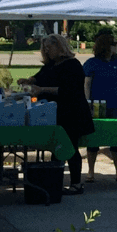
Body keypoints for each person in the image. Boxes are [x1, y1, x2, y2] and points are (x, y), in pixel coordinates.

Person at [17, 34, 95, 194]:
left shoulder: (73, 65)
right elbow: (40, 77)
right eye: (44, 48)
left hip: (72, 113)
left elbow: (70, 90)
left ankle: (76, 184)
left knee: (71, 147)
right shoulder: (51, 65)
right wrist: (29, 80)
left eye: (49, 48)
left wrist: (42, 89)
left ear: (59, 47)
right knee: (57, 147)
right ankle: (55, 182)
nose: (46, 51)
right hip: (54, 113)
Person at [83, 32, 117, 182]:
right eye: (114, 44)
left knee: (115, 136)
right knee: (94, 137)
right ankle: (90, 171)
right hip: (96, 104)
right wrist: (87, 102)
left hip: (115, 102)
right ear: (106, 46)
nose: (116, 46)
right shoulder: (91, 63)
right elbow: (86, 84)